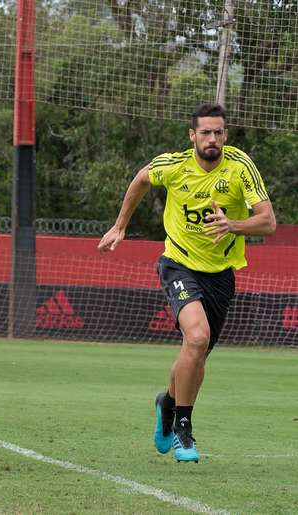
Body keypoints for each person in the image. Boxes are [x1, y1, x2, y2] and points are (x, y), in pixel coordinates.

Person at [98, 102, 276, 463]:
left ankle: (166, 403)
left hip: (221, 274)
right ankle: (183, 428)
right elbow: (141, 179)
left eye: (219, 132)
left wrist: (233, 225)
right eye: (205, 132)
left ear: (226, 135)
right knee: (196, 337)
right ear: (192, 135)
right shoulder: (174, 165)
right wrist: (120, 225)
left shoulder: (240, 167)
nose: (213, 138)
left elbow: (268, 222)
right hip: (178, 264)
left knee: (197, 354)